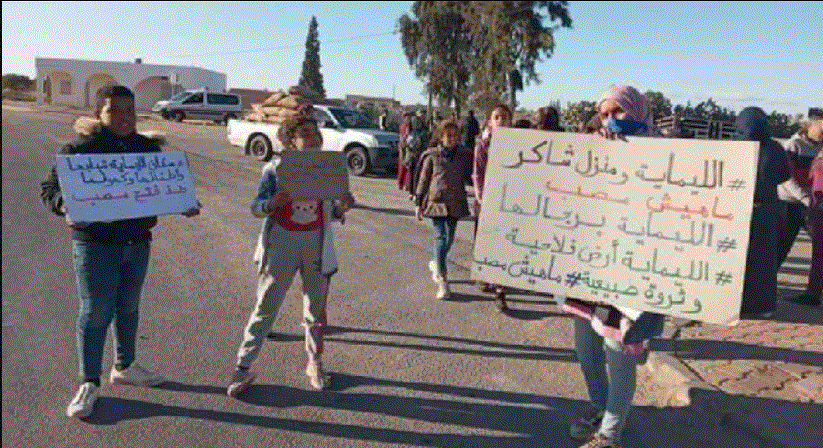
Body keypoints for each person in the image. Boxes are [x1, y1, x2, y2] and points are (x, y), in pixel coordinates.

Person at [40, 85, 201, 419]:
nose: (124, 117)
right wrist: (62, 201)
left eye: (130, 110)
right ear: (99, 113)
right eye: (115, 110)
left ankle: (125, 366)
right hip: (95, 245)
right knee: (96, 312)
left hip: (137, 243)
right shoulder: (79, 152)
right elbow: (50, 189)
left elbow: (167, 186)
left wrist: (183, 202)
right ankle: (89, 382)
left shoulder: (149, 151)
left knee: (128, 308)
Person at [228, 115, 355, 397]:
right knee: (266, 305)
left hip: (316, 242)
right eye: (305, 134)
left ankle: (315, 362)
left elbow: (330, 210)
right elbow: (256, 206)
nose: (313, 139)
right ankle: (243, 366)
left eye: (315, 134)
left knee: (315, 309)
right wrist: (272, 203)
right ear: (289, 140)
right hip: (282, 241)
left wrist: (342, 209)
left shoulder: (326, 169)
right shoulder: (275, 169)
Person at [567, 85, 665, 448]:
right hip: (590, 271)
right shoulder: (593, 148)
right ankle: (600, 404)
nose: (611, 121)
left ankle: (609, 433)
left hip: (632, 276)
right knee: (585, 348)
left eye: (618, 112)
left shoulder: (667, 157)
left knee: (619, 356)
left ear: (637, 111)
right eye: (605, 114)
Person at [734, 107, 790, 317]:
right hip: (767, 210)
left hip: (736, 210)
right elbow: (784, 176)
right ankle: (761, 305)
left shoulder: (732, 148)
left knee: (736, 257)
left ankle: (733, 303)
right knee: (764, 259)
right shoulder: (775, 149)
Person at [415, 121, 472, 300]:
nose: (452, 139)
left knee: (450, 238)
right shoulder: (432, 155)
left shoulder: (464, 155)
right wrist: (418, 201)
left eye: (455, 136)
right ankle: (442, 279)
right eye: (448, 136)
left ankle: (436, 262)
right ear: (441, 137)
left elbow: (471, 174)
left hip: (456, 202)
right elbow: (424, 179)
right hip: (436, 202)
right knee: (440, 238)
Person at [776, 117, 823, 303]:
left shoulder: (818, 148)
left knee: (819, 249)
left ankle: (813, 291)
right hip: (791, 202)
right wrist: (804, 197)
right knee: (781, 245)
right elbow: (786, 177)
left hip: (812, 204)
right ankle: (766, 283)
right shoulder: (793, 145)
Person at [472, 104, 512, 310]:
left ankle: (500, 291)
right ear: (490, 122)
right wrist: (482, 198)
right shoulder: (482, 145)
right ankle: (484, 274)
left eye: (505, 117)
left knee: (503, 248)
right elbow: (477, 173)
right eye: (497, 117)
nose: (502, 121)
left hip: (510, 204)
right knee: (486, 243)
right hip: (487, 202)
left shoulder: (518, 144)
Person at [803, 147, 823, 306]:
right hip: (817, 207)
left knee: (818, 253)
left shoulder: (819, 161)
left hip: (819, 208)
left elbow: (810, 180)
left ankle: (813, 293)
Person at [404, 114, 431, 200]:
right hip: (411, 157)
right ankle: (411, 192)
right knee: (412, 175)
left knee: (418, 175)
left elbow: (425, 144)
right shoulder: (410, 132)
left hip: (419, 156)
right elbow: (406, 145)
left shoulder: (423, 133)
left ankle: (417, 193)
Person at [396, 110, 413, 193]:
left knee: (407, 165)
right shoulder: (404, 126)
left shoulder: (410, 125)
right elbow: (403, 137)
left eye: (408, 116)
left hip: (407, 146)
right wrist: (402, 147)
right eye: (406, 116)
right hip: (403, 146)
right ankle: (401, 183)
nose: (407, 117)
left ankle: (406, 184)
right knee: (403, 165)